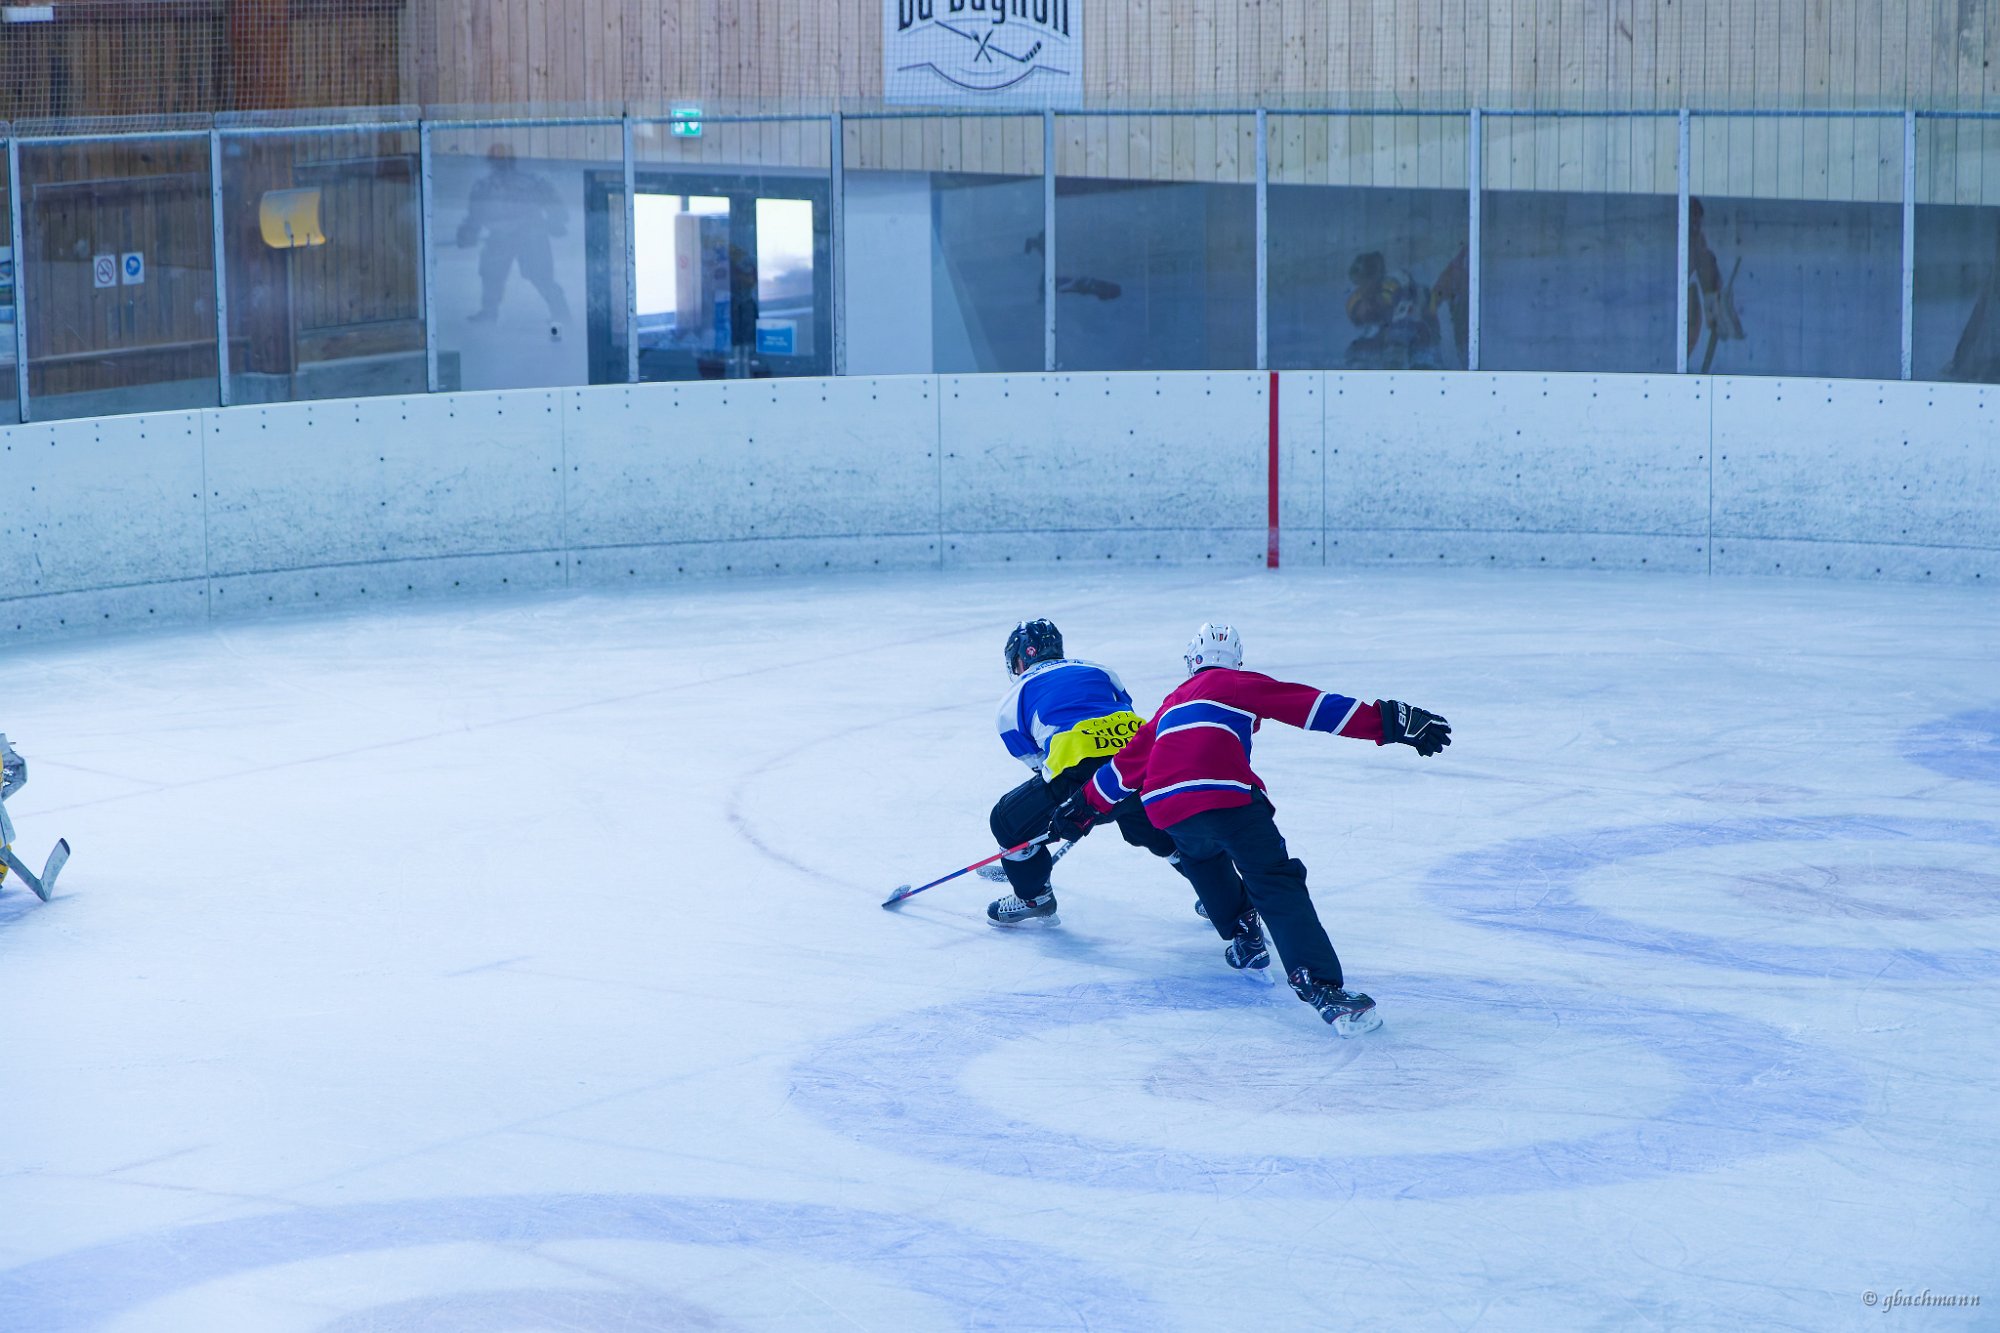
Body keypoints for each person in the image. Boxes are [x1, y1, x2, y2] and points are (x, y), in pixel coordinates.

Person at [1050, 623, 1451, 1035]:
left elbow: (1124, 768)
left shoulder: (1170, 704)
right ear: (1235, 662)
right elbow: (1315, 707)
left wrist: (1082, 807)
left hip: (1166, 806)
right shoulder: (1235, 684)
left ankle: (1244, 935)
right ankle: (1320, 986)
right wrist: (1389, 722)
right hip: (1226, 796)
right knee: (1273, 880)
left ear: (1192, 662)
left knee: (1202, 859)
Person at [986, 619, 1190, 926]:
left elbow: (1041, 765)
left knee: (1006, 822)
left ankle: (1034, 897)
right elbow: (1125, 711)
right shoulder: (1100, 670)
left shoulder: (1012, 699)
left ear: (1020, 659)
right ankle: (1220, 892)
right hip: (1142, 764)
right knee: (1162, 831)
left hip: (1080, 778)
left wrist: (1079, 804)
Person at [456, 143, 573, 337]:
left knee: (541, 275)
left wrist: (556, 220)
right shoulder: (485, 186)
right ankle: (488, 312)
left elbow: (553, 201)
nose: (501, 165)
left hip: (531, 236)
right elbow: (475, 213)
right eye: (497, 161)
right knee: (491, 274)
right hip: (500, 236)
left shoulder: (530, 182)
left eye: (504, 161)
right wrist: (469, 232)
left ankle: (561, 314)